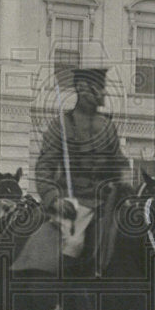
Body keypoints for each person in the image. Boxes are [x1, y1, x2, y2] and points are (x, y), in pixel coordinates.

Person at [12, 67, 129, 277]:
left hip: (107, 201)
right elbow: (44, 167)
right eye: (99, 89)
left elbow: (119, 162)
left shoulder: (107, 126)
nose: (104, 94)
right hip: (75, 202)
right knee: (73, 244)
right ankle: (63, 300)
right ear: (84, 90)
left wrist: (124, 181)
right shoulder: (62, 125)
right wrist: (54, 199)